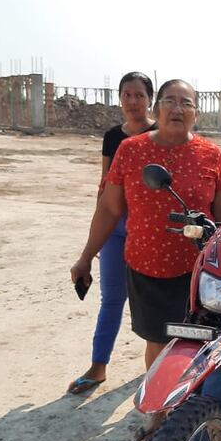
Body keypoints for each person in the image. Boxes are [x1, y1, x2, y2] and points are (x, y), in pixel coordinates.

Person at [70, 79, 221, 441]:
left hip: (197, 273)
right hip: (146, 267)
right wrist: (86, 257)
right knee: (158, 346)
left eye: (186, 103)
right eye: (170, 101)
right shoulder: (130, 151)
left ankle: (197, 417)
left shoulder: (211, 155)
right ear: (157, 108)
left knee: (199, 348)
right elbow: (109, 209)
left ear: (196, 112)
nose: (178, 109)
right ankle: (159, 417)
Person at [67, 72, 156, 395]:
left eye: (139, 95)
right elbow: (106, 188)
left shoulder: (161, 134)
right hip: (117, 228)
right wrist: (96, 236)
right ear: (120, 98)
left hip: (150, 229)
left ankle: (158, 371)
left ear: (150, 99)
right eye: (127, 95)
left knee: (153, 301)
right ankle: (98, 366)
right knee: (112, 299)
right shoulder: (111, 137)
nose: (133, 102)